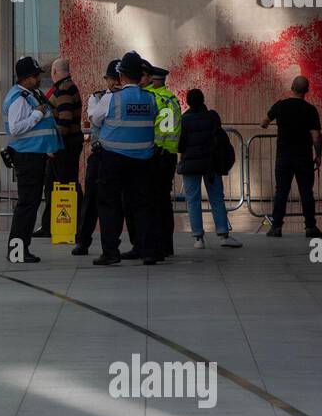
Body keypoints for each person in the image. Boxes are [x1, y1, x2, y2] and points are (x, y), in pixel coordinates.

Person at [90, 51, 158, 266]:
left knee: (110, 205)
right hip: (143, 161)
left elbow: (95, 118)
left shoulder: (111, 97)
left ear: (121, 76)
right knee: (142, 205)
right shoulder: (150, 99)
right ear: (140, 76)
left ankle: (111, 252)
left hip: (113, 159)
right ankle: (147, 251)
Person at [3, 56, 62, 262]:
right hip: (26, 157)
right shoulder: (19, 98)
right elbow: (16, 128)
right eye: (36, 76)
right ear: (26, 78)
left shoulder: (29, 94)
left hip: (34, 155)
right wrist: (37, 114)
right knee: (27, 205)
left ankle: (20, 249)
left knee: (30, 203)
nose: (39, 79)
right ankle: (18, 251)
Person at [261, 76, 322, 239]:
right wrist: (318, 155)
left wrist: (269, 123)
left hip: (284, 156)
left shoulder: (280, 106)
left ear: (291, 87)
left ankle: (276, 227)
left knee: (281, 191)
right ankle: (310, 227)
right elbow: (316, 136)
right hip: (303, 157)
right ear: (307, 91)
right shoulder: (310, 110)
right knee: (306, 192)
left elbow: (265, 122)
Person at [178, 89, 241, 248]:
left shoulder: (184, 120)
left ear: (188, 102)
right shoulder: (212, 116)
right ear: (203, 99)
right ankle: (223, 234)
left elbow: (180, 145)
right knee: (216, 197)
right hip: (210, 164)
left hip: (191, 165)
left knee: (193, 200)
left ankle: (198, 238)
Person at [75, 59, 120, 256]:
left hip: (119, 155)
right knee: (91, 200)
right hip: (100, 154)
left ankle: (115, 245)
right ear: (106, 79)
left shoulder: (125, 98)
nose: (115, 82)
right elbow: (95, 118)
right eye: (112, 79)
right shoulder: (98, 97)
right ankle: (83, 241)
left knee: (117, 202)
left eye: (119, 78)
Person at [36, 58, 84, 239]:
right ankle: (49, 225)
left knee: (66, 183)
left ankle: (75, 224)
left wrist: (52, 143)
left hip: (64, 146)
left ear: (55, 71)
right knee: (52, 184)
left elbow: (64, 121)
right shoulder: (65, 87)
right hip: (63, 145)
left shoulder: (64, 89)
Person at [145, 62, 182, 258]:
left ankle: (157, 247)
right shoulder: (173, 99)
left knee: (154, 203)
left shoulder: (152, 98)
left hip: (155, 155)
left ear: (153, 80)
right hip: (169, 156)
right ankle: (167, 245)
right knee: (164, 202)